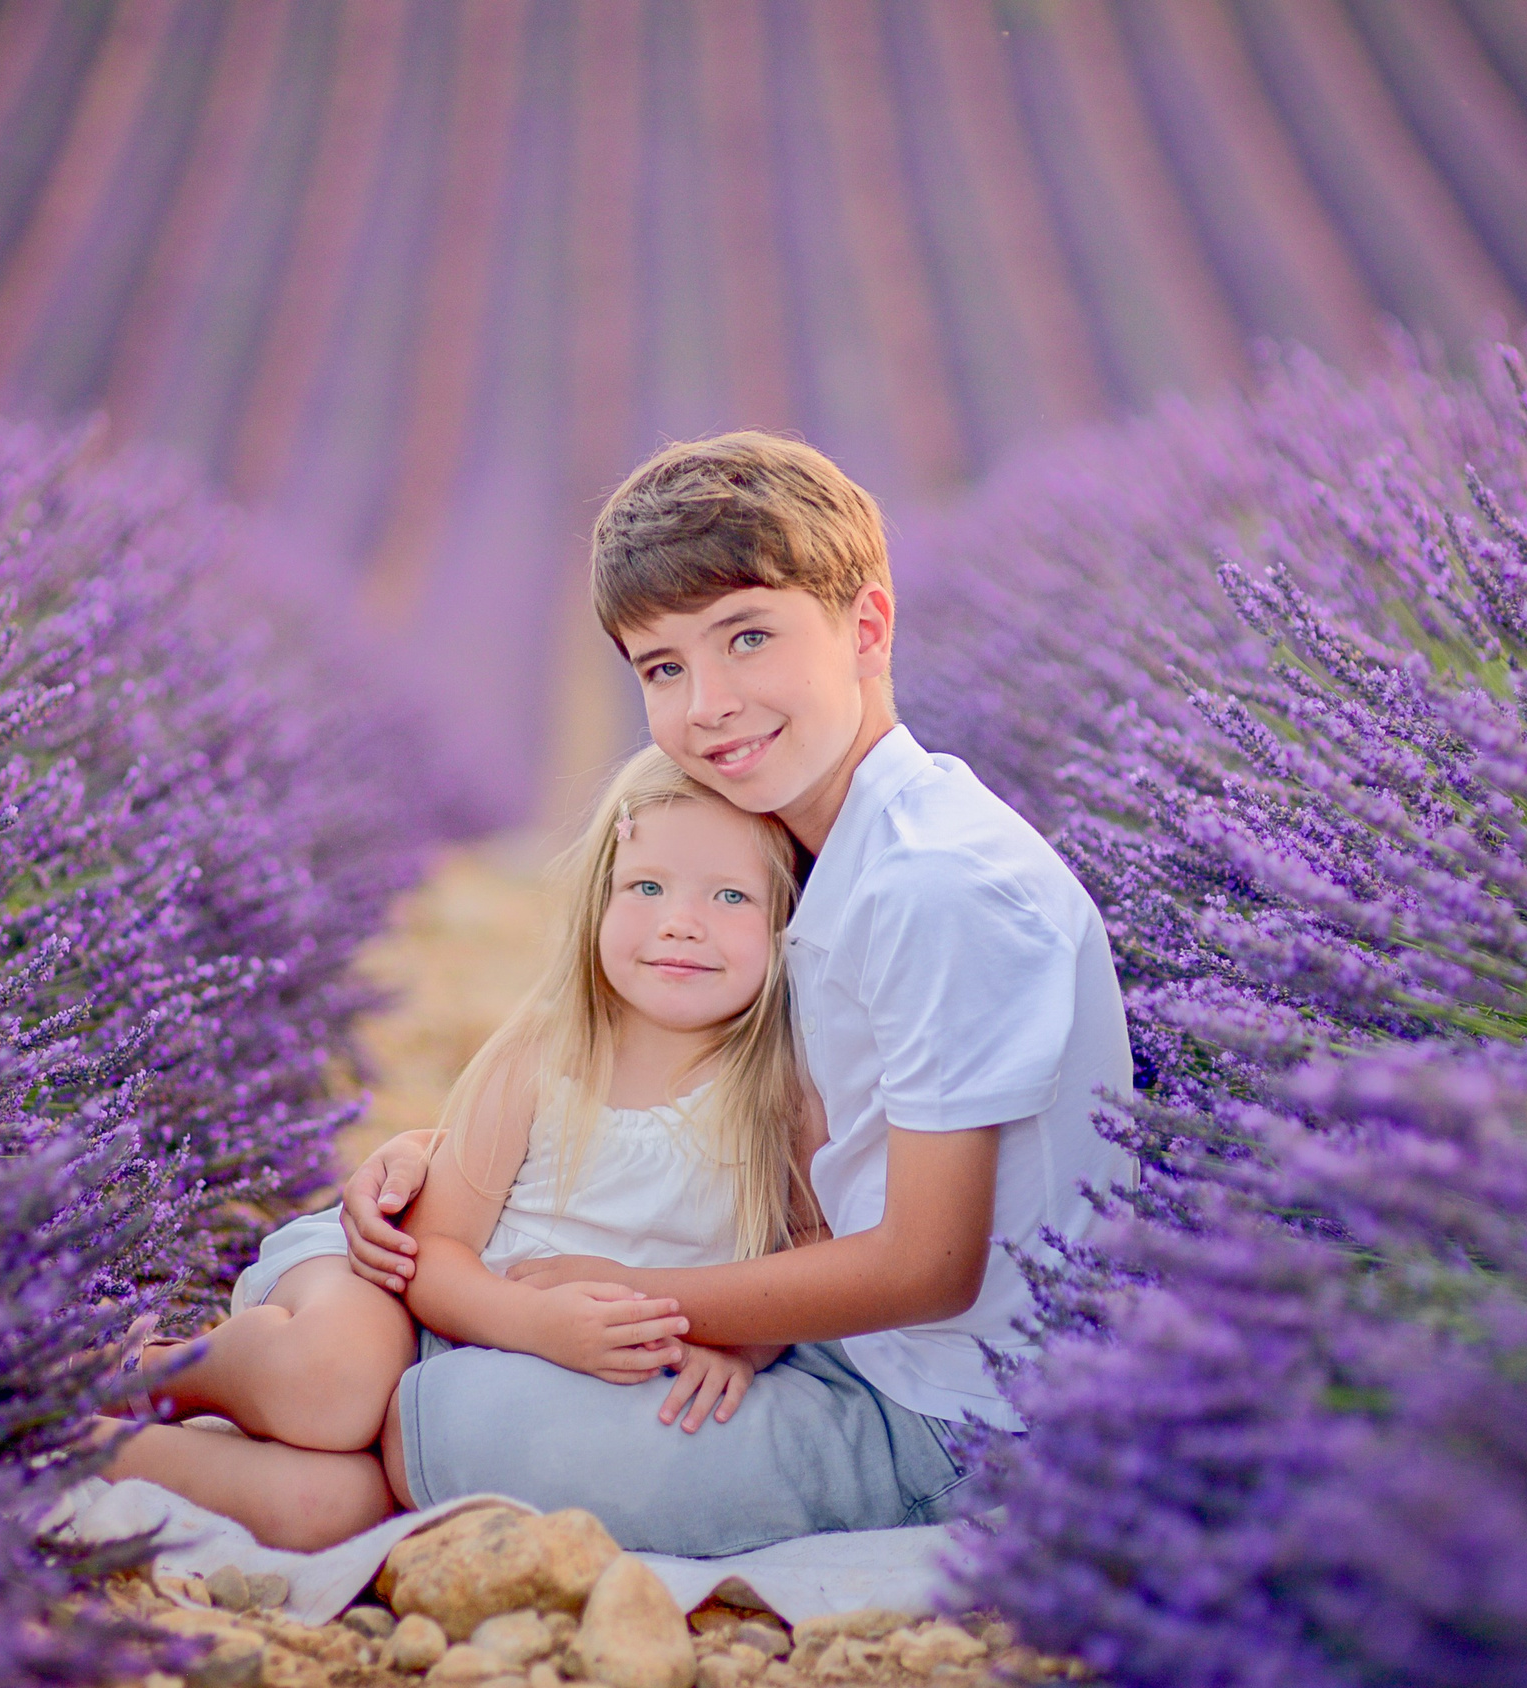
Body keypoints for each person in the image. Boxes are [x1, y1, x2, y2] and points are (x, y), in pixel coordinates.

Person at [350, 431, 1135, 1558]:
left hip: (951, 1419)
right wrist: (455, 1152)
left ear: (867, 627)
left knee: (437, 1404)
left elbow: (930, 1266)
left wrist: (639, 1294)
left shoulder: (934, 887)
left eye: (748, 638)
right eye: (664, 668)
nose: (708, 704)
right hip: (852, 1341)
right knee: (373, 1290)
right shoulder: (822, 842)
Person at [84, 748, 821, 1550]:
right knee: (333, 1381)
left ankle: (84, 1448)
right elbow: (430, 1257)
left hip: (478, 1387)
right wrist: (538, 1325)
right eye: (647, 886)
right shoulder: (552, 1053)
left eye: (731, 895)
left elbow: (810, 1249)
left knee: (324, 1510)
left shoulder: (783, 1093)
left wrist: (743, 1345)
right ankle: (163, 1373)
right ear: (599, 901)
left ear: (787, 923)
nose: (681, 920)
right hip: (396, 1290)